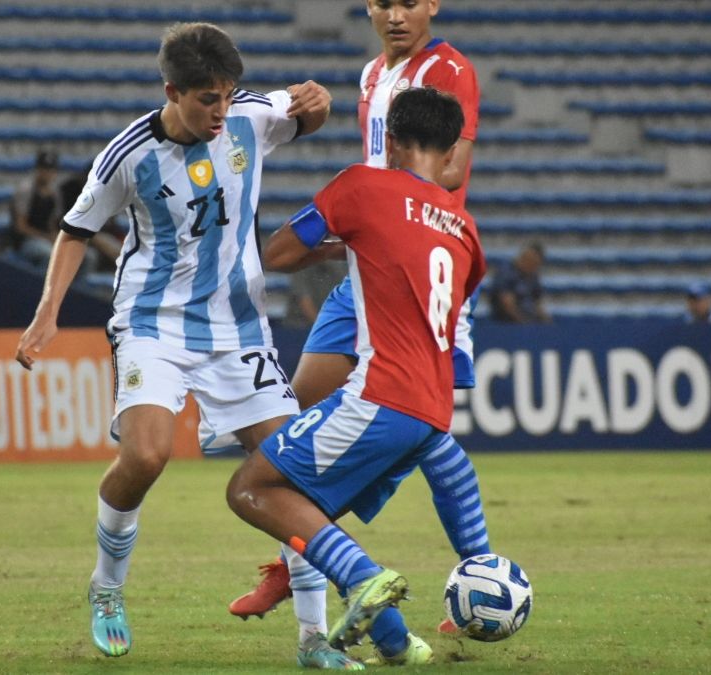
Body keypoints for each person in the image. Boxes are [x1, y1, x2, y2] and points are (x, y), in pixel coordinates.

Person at [11, 23, 351, 668]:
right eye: (206, 99)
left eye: (227, 95)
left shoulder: (250, 116)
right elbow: (76, 229)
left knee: (289, 468)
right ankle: (107, 588)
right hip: (153, 322)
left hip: (237, 327)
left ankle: (313, 639)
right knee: (146, 454)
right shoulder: (128, 155)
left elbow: (306, 113)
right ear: (172, 91)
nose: (221, 111)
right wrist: (47, 313)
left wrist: (319, 105)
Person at [230, 0, 492, 645]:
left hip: (414, 256)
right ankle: (305, 558)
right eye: (382, 3)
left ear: (432, 4)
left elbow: (451, 168)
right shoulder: (372, 74)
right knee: (303, 420)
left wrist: (380, 208)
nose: (396, 15)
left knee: (420, 429)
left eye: (409, 2)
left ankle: (478, 575)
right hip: (369, 258)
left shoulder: (449, 69)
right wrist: (365, 226)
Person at [4, 149, 62, 264]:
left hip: (45, 239)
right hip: (25, 242)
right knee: (49, 254)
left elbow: (52, 224)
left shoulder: (54, 194)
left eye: (50, 170)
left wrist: (56, 238)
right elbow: (20, 226)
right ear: (38, 170)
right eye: (44, 169)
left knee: (83, 256)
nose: (47, 173)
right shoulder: (26, 190)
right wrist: (45, 237)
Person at [489, 242, 549, 324]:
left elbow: (538, 302)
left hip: (530, 321)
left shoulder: (533, 276)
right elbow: (507, 303)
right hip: (508, 324)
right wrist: (523, 323)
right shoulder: (506, 273)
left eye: (536, 265)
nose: (533, 267)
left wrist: (546, 321)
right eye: (531, 262)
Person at [282, 261, 348, 330]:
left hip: (327, 325)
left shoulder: (338, 264)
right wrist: (325, 327)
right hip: (299, 327)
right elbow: (304, 301)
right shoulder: (301, 265)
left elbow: (345, 296)